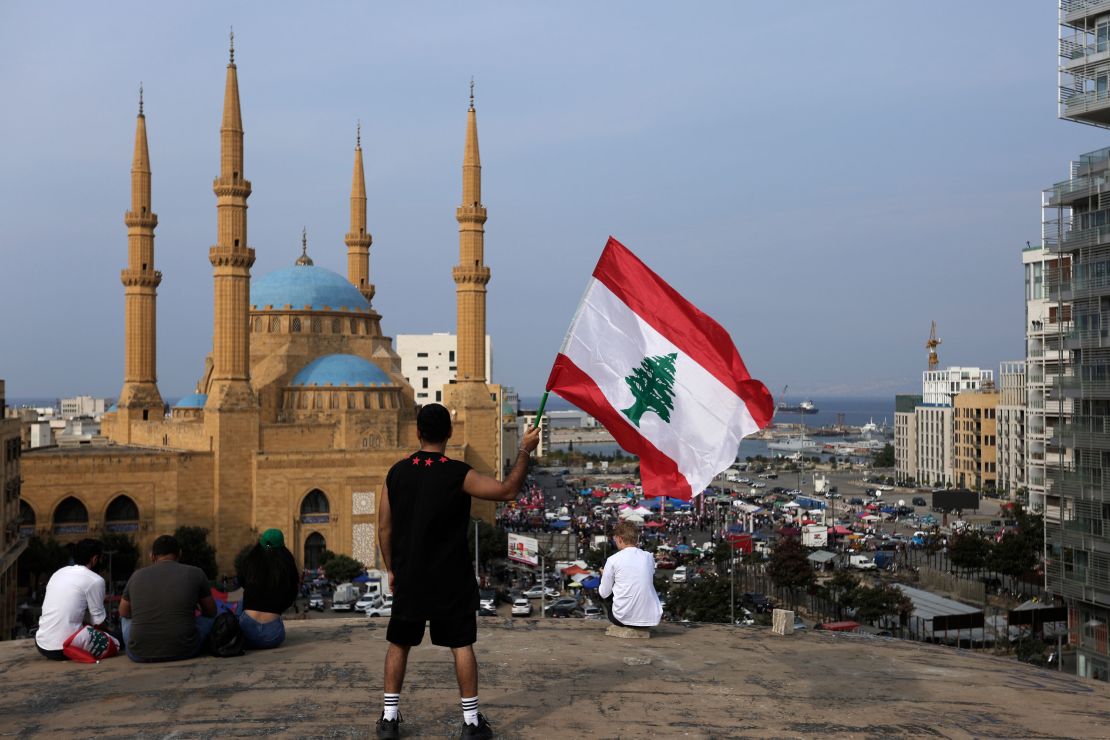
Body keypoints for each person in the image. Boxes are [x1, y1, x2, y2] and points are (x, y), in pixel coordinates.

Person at [374, 403, 541, 740]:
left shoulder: (396, 473)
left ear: (417, 432)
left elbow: (384, 529)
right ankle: (470, 723)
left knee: (399, 643)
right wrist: (524, 450)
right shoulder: (458, 473)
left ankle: (389, 720)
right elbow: (507, 491)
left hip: (410, 577)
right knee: (461, 645)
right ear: (450, 433)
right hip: (451, 578)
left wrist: (393, 569)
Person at [119, 534, 216, 663]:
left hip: (138, 653)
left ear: (152, 556)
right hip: (186, 649)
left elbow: (123, 612)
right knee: (208, 620)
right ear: (179, 554)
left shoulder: (136, 575)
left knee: (125, 620)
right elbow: (211, 612)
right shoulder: (196, 572)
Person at [35, 538, 106, 661]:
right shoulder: (95, 580)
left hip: (42, 645)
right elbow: (98, 622)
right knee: (117, 639)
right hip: (65, 649)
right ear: (94, 559)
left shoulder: (58, 573)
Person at [236, 528, 300, 649]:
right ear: (282, 547)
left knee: (241, 602)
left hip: (246, 635)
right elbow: (290, 597)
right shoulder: (286, 567)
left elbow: (242, 582)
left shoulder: (250, 562)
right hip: (273, 636)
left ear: (261, 543)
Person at [599, 521, 662, 629]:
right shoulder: (648, 557)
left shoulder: (613, 560)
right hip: (650, 619)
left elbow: (604, 593)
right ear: (636, 539)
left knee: (606, 588)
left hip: (621, 618)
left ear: (619, 539)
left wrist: (605, 576)